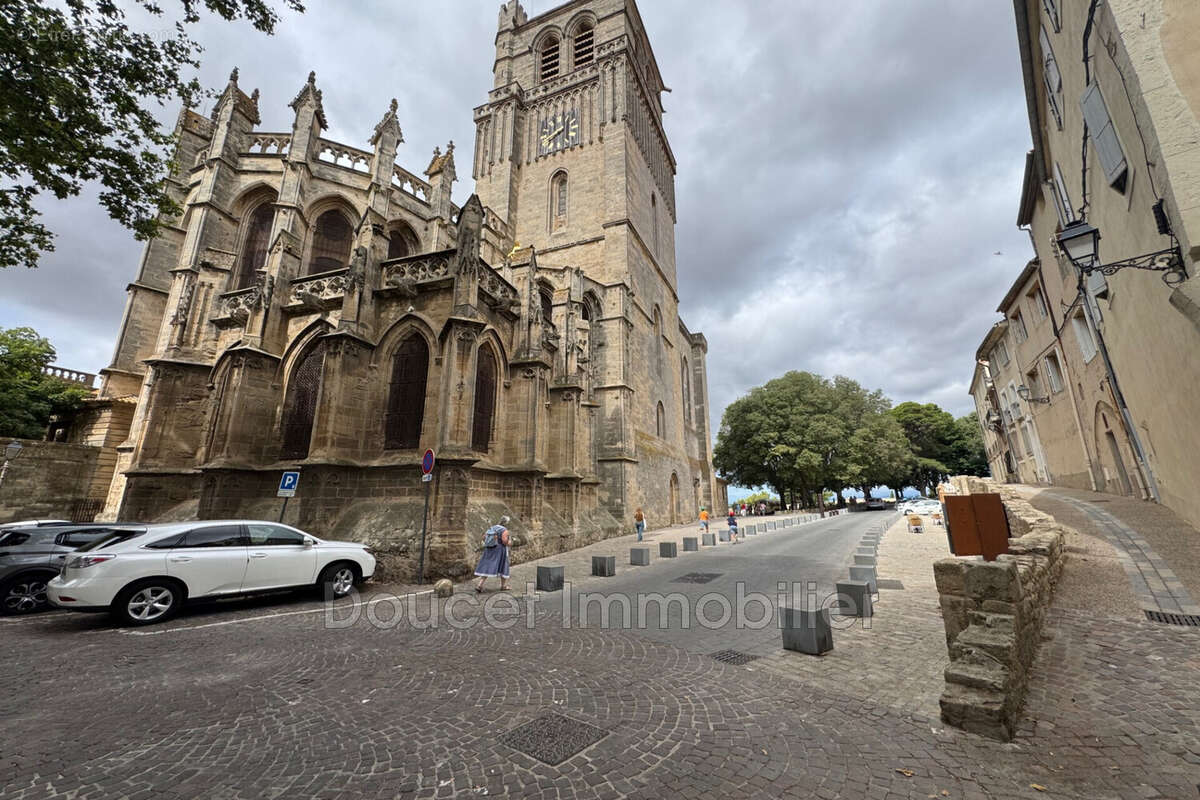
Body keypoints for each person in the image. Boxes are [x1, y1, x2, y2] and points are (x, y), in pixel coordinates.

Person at [474, 516, 511, 593]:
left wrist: (492, 542)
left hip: (489, 550)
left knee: (488, 565)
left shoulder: (493, 527)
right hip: (499, 551)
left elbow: (484, 537)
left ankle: (479, 585)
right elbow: (504, 541)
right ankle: (503, 586)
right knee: (503, 566)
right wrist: (509, 542)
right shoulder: (504, 530)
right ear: (506, 523)